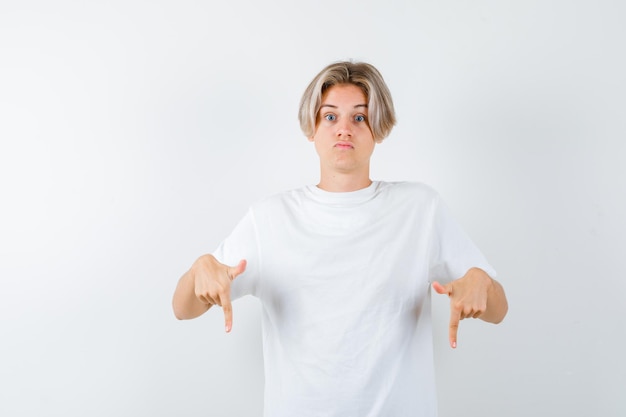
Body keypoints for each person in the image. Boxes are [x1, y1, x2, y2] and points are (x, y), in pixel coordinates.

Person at [172, 61, 508, 417]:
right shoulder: (268, 218)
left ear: (377, 129)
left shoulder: (419, 209)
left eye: (359, 118)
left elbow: (498, 311)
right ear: (312, 128)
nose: (344, 129)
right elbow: (183, 309)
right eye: (330, 117)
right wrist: (199, 272)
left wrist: (481, 283)